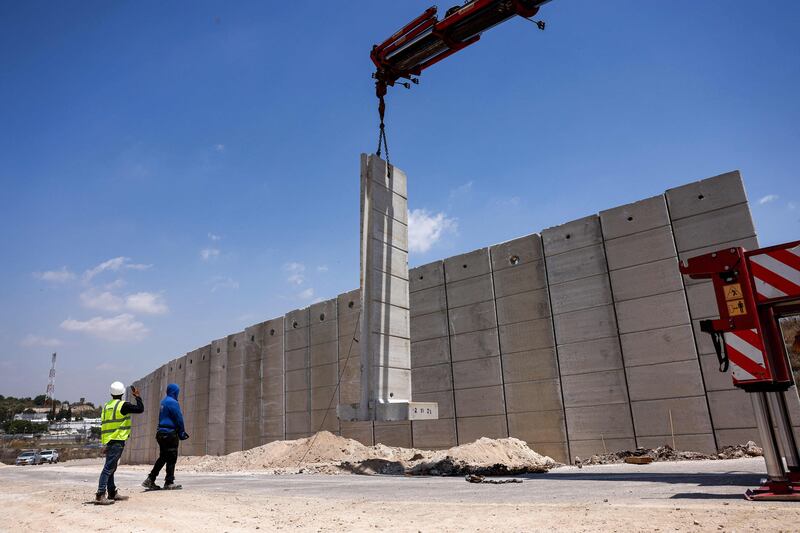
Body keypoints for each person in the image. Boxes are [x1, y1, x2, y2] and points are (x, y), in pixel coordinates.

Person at [96, 381, 144, 505]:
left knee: (111, 467)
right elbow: (140, 409)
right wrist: (137, 396)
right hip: (117, 440)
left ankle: (112, 492)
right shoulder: (123, 405)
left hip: (109, 440)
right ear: (122, 393)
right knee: (108, 468)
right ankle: (100, 494)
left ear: (111, 393)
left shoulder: (107, 406)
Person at [142, 383, 189, 490]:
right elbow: (179, 418)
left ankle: (150, 479)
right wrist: (182, 432)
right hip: (170, 434)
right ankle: (169, 482)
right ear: (175, 392)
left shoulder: (163, 402)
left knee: (163, 457)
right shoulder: (173, 402)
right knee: (172, 458)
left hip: (160, 433)